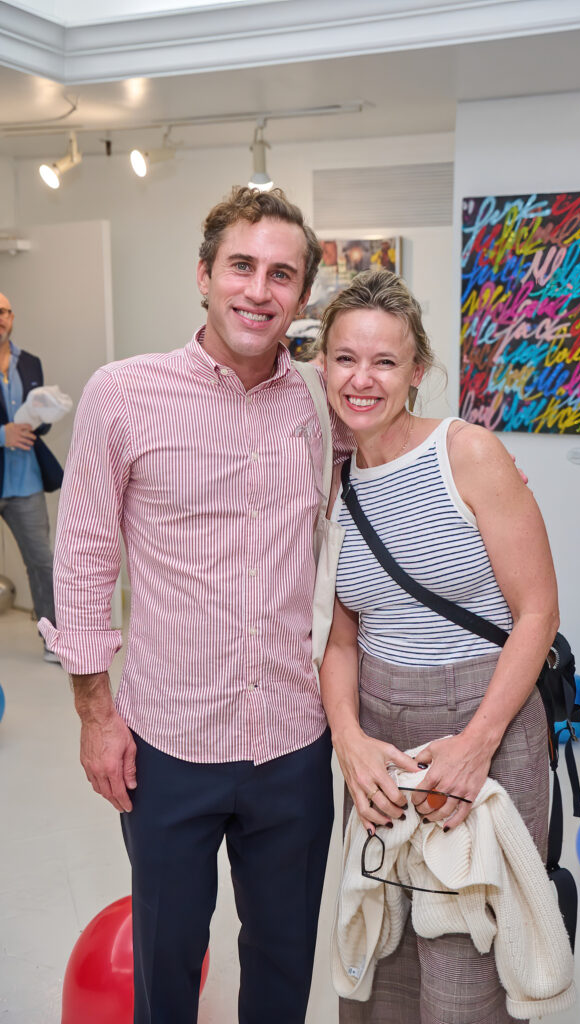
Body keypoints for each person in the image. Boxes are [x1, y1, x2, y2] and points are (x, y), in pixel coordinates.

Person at [39, 186, 352, 1024]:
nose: (259, 289)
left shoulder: (320, 403)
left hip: (293, 741)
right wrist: (95, 715)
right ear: (204, 275)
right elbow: (84, 559)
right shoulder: (122, 394)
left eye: (281, 274)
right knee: (166, 957)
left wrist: (473, 468)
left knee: (284, 957)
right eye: (241, 266)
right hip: (167, 744)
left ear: (301, 294)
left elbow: (393, 466)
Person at [318, 270, 563, 1023]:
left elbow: (537, 612)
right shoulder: (331, 478)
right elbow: (340, 638)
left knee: (467, 957)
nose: (362, 379)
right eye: (344, 358)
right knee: (382, 939)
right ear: (322, 365)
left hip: (485, 723)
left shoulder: (467, 454)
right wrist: (349, 740)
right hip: (382, 739)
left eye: (384, 361)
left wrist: (475, 745)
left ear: (417, 369)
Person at [0, 292, 62, 662]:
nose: (0, 318)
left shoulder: (30, 362)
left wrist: (43, 415)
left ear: (12, 317)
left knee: (42, 563)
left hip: (26, 481)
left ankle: (53, 638)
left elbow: (40, 420)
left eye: (4, 311)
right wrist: (2, 434)